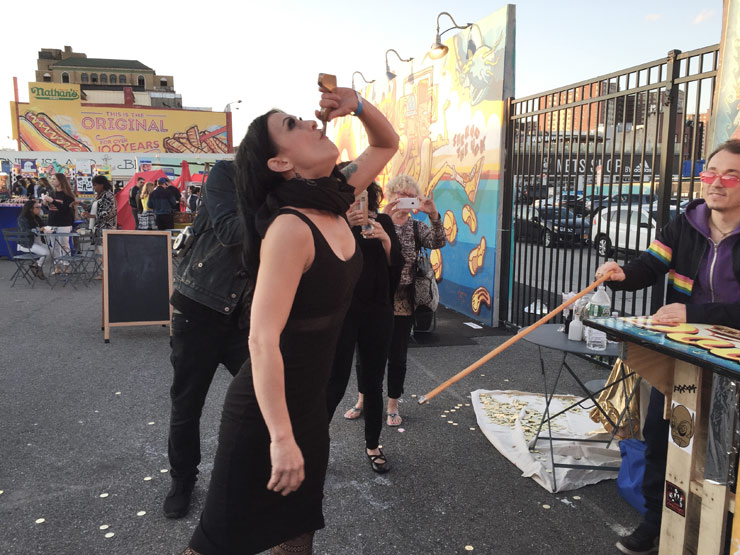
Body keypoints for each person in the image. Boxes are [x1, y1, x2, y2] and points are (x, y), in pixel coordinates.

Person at [185, 85, 398, 555]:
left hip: (308, 407)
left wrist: (359, 106)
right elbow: (262, 339)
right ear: (280, 162)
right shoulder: (289, 227)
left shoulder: (336, 196)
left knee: (297, 536)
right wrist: (280, 438)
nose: (311, 122)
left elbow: (386, 143)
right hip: (264, 417)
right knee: (215, 545)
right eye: (292, 124)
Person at [596, 138, 740, 555]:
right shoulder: (686, 222)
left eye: (732, 176)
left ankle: (722, 535)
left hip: (732, 361)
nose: (717, 183)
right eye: (711, 173)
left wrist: (693, 314)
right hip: (682, 355)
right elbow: (650, 265)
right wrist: (622, 273)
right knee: (664, 437)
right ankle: (656, 525)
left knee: (724, 453)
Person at [163, 161, 252, 519]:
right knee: (187, 405)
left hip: (245, 317)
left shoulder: (288, 190)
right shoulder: (228, 173)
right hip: (199, 307)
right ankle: (182, 479)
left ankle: (251, 475)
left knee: (265, 399)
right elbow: (231, 231)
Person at [325, 179, 403, 473]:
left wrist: (385, 240)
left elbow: (396, 265)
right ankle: (315, 444)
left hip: (377, 311)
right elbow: (325, 260)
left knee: (373, 383)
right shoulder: (332, 223)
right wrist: (344, 224)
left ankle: (373, 444)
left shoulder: (383, 221)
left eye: (362, 196)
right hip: (342, 312)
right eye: (350, 197)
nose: (357, 202)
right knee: (334, 381)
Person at [378, 174, 445, 427]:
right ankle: (363, 399)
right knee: (369, 354)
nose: (405, 199)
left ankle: (392, 405)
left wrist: (433, 214)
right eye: (400, 194)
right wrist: (383, 220)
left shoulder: (417, 226)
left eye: (410, 195)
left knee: (397, 356)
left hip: (404, 299)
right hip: (375, 297)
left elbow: (439, 241)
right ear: (391, 195)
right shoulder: (378, 222)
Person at [42, 173, 77, 274]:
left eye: (54, 179)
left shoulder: (68, 195)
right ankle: (57, 267)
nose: (52, 181)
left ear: (61, 181)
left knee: (64, 245)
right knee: (54, 246)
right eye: (51, 179)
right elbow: (48, 209)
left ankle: (66, 267)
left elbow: (65, 209)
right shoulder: (51, 193)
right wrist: (45, 204)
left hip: (64, 223)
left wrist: (52, 201)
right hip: (52, 222)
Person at [81, 175, 117, 261]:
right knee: (100, 254)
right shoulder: (98, 196)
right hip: (97, 229)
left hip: (106, 228)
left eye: (95, 185)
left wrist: (92, 216)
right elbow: (90, 208)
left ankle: (105, 270)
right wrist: (80, 204)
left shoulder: (108, 195)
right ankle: (102, 269)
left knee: (105, 254)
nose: (94, 188)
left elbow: (110, 213)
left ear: (102, 185)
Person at [16, 199, 51, 280]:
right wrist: (37, 230)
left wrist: (47, 229)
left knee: (53, 253)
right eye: (37, 207)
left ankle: (36, 265)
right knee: (46, 253)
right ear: (30, 209)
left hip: (38, 241)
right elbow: (25, 231)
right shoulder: (22, 218)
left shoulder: (36, 218)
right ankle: (38, 267)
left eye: (39, 207)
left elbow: (43, 226)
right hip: (27, 243)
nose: (39, 209)